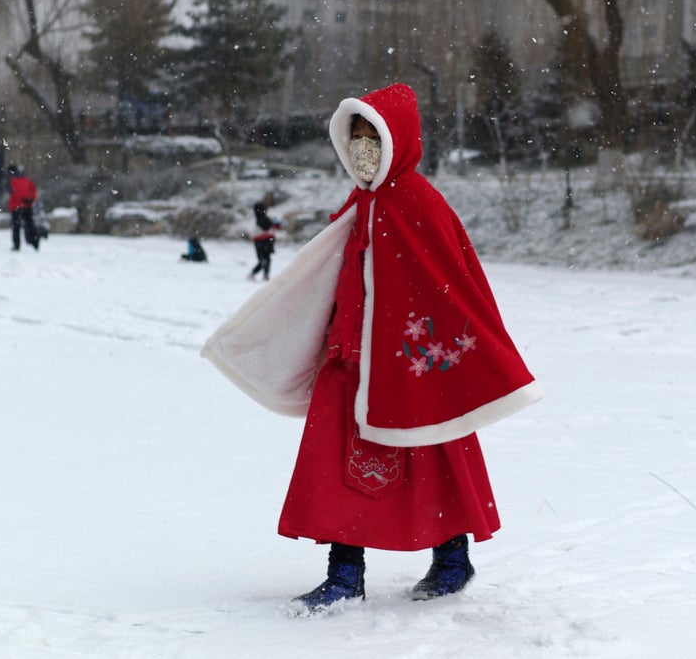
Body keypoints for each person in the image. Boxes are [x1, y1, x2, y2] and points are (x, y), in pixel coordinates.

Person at [202, 83, 542, 614]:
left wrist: (421, 354)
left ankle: (453, 558)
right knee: (338, 468)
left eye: (373, 137)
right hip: (350, 362)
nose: (363, 149)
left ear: (397, 140)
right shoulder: (359, 203)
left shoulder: (420, 204)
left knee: (434, 458)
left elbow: (451, 288)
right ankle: (344, 573)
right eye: (355, 137)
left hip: (411, 366)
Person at [7, 163, 40, 251]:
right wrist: (30, 199)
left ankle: (17, 244)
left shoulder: (12, 181)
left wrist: (23, 199)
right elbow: (33, 191)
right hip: (27, 206)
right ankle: (34, 241)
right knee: (29, 224)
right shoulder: (27, 181)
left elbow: (15, 192)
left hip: (16, 206)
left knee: (16, 227)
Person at [248, 201, 283, 281]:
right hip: (263, 241)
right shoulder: (262, 219)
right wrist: (275, 223)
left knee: (265, 259)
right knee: (264, 260)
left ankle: (264, 275)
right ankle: (259, 274)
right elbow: (267, 227)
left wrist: (275, 224)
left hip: (263, 241)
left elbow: (274, 227)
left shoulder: (263, 219)